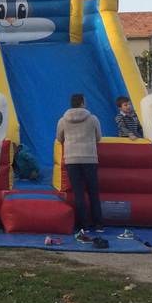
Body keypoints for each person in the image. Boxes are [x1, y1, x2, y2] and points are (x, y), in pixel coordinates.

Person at [55, 93, 103, 240]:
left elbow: (59, 138)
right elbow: (99, 137)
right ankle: (99, 224)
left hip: (72, 159)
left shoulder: (63, 120)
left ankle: (83, 226)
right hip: (89, 158)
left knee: (78, 193)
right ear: (82, 103)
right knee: (93, 192)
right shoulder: (93, 119)